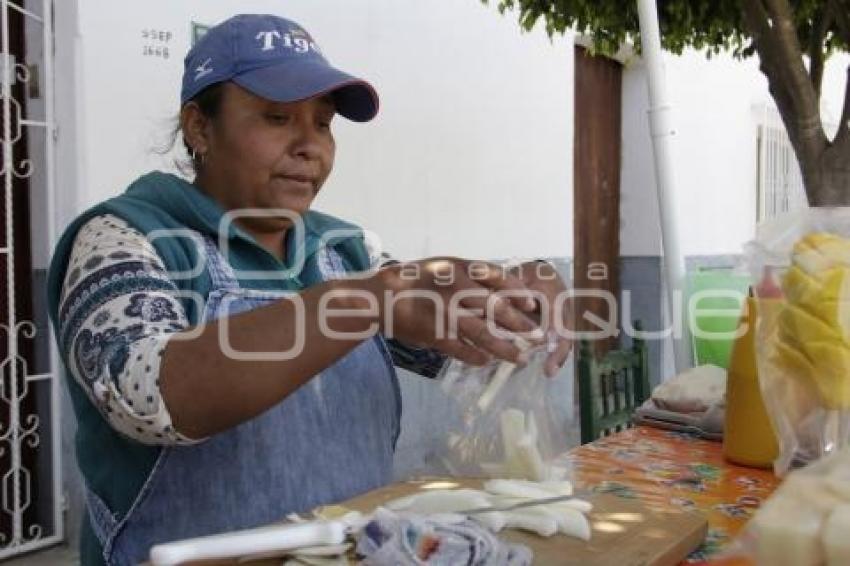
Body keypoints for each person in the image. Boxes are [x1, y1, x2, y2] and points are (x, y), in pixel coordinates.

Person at [46, 13, 572, 566]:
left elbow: (443, 333)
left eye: (322, 124)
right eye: (278, 118)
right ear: (200, 127)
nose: (309, 146)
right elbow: (151, 397)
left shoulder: (344, 251)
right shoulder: (125, 238)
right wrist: (366, 300)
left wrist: (515, 294)